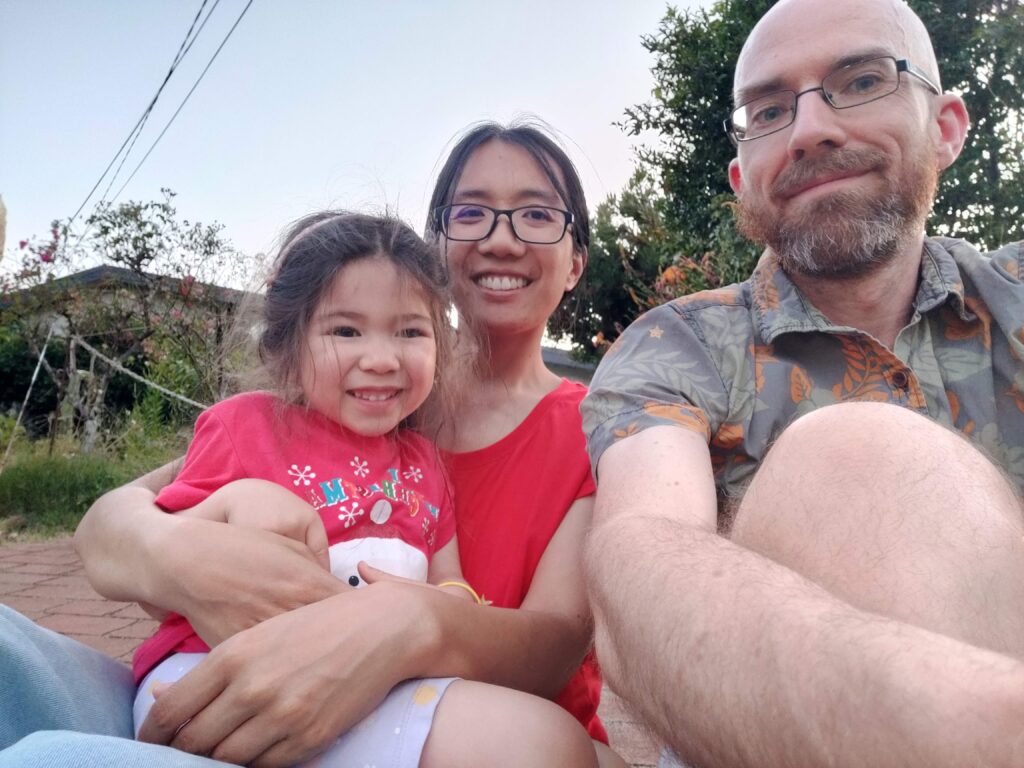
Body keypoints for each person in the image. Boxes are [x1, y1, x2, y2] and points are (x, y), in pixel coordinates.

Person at [0, 121, 621, 768]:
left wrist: (416, 620)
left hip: (450, 723)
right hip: (225, 693)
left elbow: (555, 646)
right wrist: (173, 546)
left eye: (537, 214)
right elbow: (122, 518)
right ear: (436, 247)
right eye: (472, 213)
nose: (501, 237)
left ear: (577, 259)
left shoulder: (593, 426)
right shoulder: (344, 410)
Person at [581, 0, 1024, 765]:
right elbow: (639, 557)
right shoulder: (673, 346)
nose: (811, 129)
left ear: (947, 127)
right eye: (769, 109)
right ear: (740, 176)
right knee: (857, 459)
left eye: (860, 80)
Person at [127, 209, 598, 767]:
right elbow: (157, 583)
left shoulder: (424, 461)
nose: (380, 359)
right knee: (540, 746)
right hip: (216, 679)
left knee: (551, 743)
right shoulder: (242, 426)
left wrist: (443, 608)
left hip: (374, 684)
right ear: (287, 340)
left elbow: (450, 583)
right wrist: (227, 511)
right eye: (345, 330)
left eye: (410, 331)